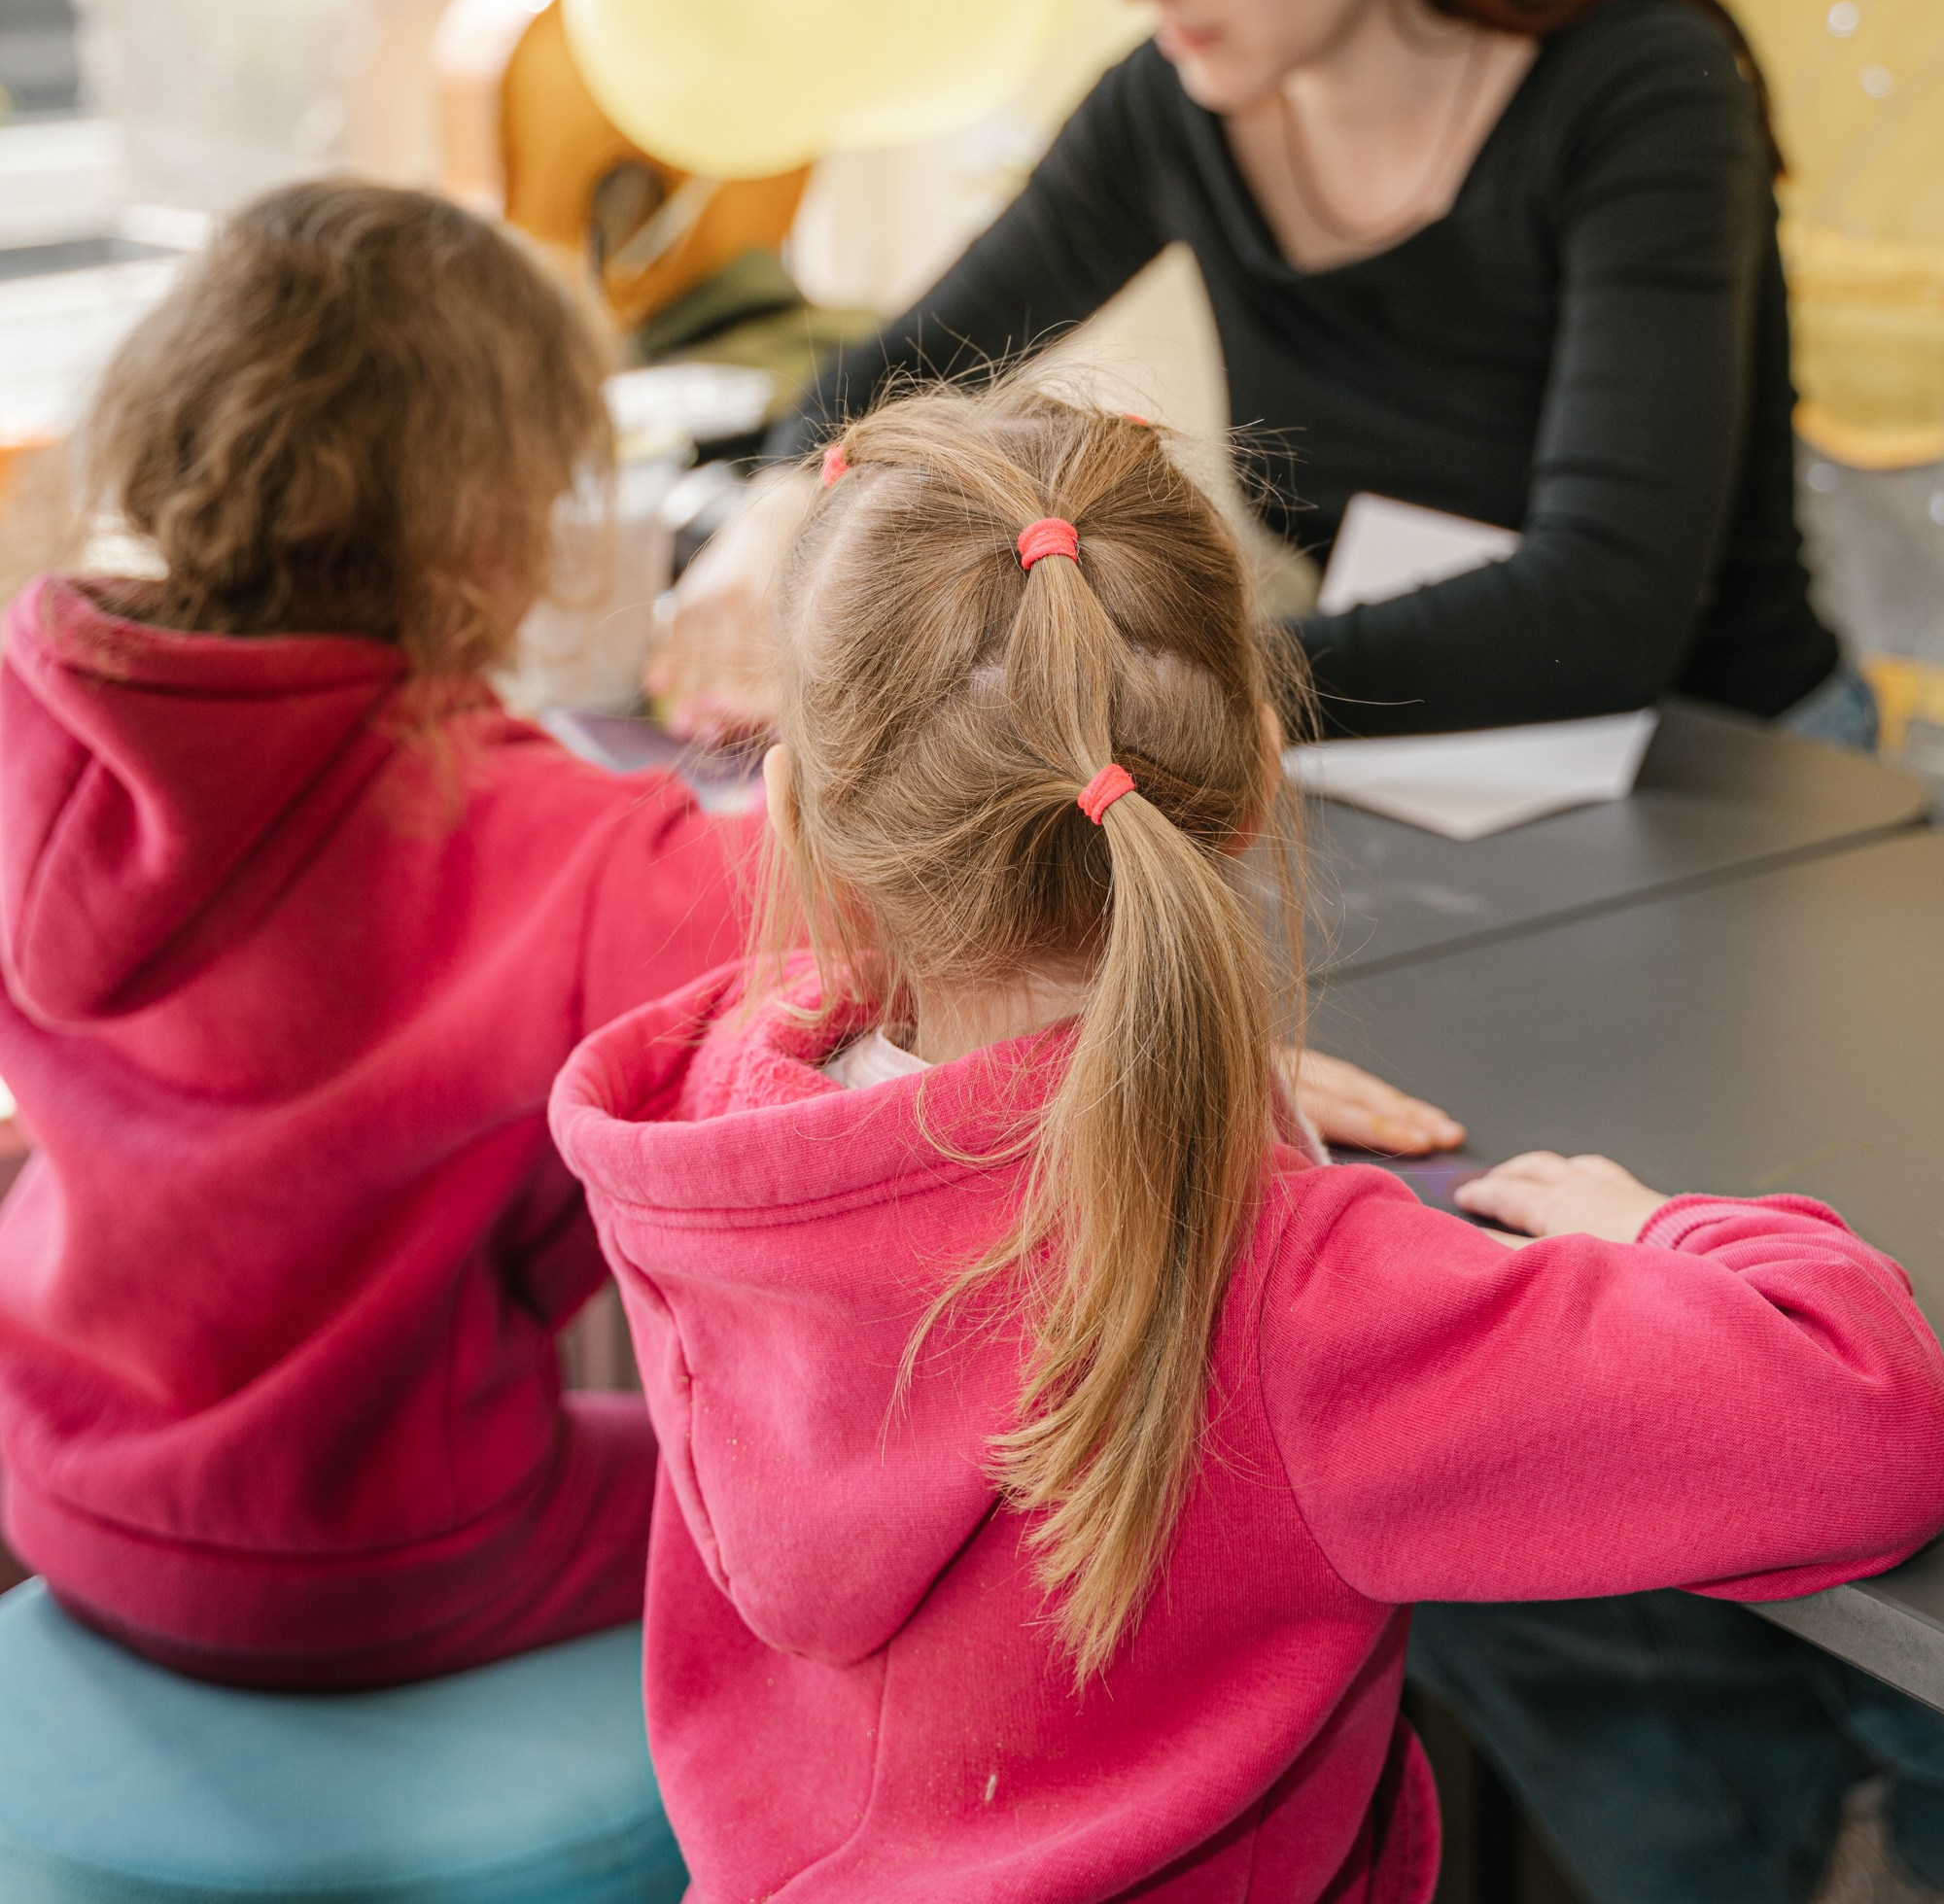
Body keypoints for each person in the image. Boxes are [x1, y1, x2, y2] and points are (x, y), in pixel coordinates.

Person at [554, 390, 1944, 1904]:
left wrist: (1143, 1074)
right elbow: (1868, 1418)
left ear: (804, 814)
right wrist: (1646, 1231)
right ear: (1251, 776)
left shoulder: (707, 1132)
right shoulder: (1285, 1300)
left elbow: (941, 1179)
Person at [654, 0, 1864, 756]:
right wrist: (777, 513)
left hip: (1738, 775)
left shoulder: (1646, 89)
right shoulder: (1170, 107)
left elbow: (1597, 613)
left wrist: (1120, 683)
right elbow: (889, 379)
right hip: (1419, 774)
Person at [0, 182, 751, 1690]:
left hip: (63, 1489)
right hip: (371, 1559)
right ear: (494, 524)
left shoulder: (34, 709)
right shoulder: (559, 838)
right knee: (835, 1534)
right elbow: (878, 928)